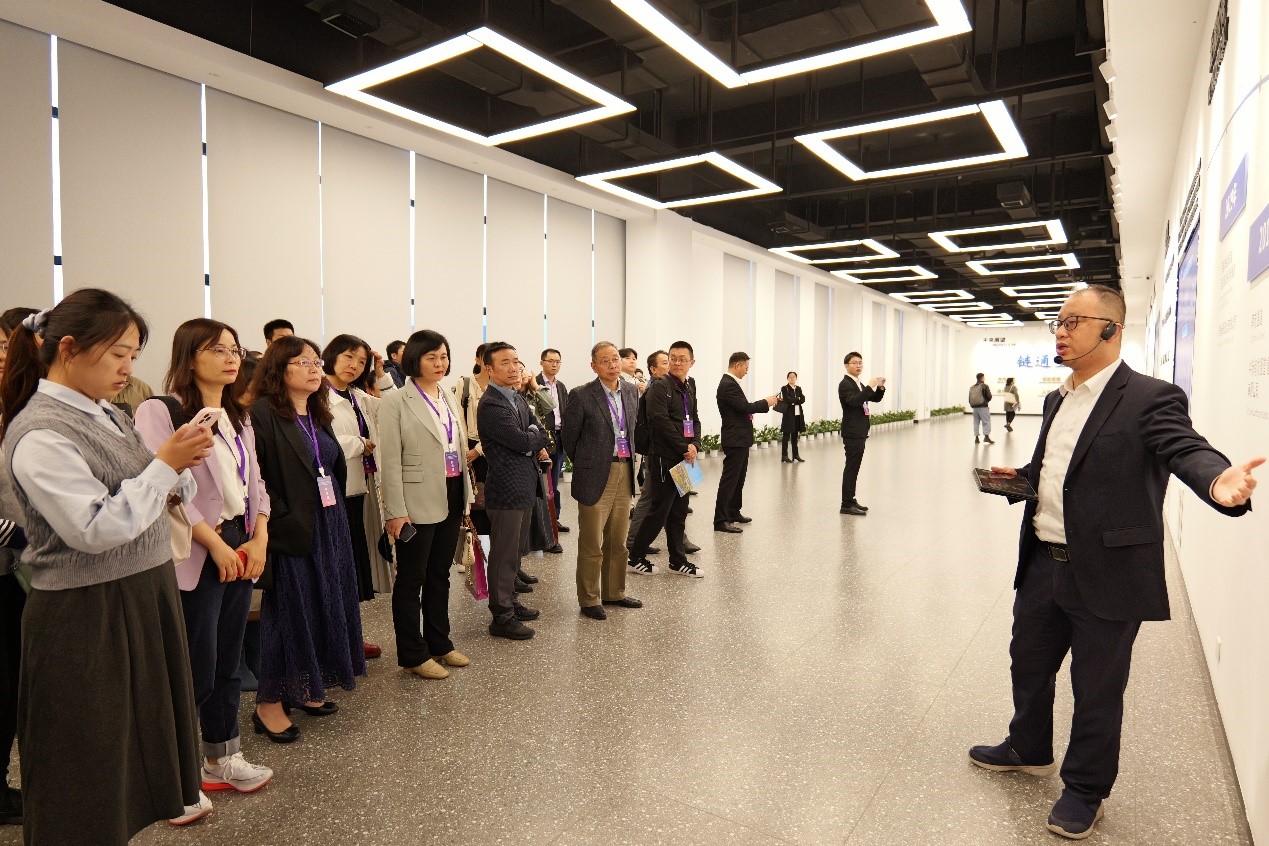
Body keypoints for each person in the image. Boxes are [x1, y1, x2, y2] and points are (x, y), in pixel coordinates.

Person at [969, 284, 1261, 839]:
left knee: (1097, 688)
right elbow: (1058, 468)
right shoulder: (1057, 399)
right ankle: (1028, 747)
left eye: (1073, 321)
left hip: (1107, 572)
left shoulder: (1150, 397)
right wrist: (1021, 479)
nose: (1060, 331)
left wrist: (1217, 481)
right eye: (1057, 322)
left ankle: (1085, 789)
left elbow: (1185, 447)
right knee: (1027, 663)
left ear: (1111, 329)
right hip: (1042, 561)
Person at [2, 289, 215, 841]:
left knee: (133, 756)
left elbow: (151, 488)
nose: (127, 367)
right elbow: (94, 528)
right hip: (86, 611)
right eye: (118, 354)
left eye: (133, 355)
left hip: (142, 590)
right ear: (69, 348)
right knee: (87, 765)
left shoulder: (108, 413)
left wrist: (180, 463)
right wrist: (165, 467)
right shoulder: (40, 432)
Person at [135, 318, 274, 797]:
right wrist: (215, 545)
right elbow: (164, 485)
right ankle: (170, 776)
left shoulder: (238, 415)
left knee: (228, 660)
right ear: (189, 356)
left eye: (235, 350)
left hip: (239, 540)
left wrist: (259, 537)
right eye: (218, 350)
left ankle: (222, 756)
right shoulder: (163, 410)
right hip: (196, 546)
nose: (232, 358)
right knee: (193, 664)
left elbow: (255, 483)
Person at [247, 337, 365, 743]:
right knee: (289, 611)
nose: (315, 369)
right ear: (279, 369)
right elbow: (256, 476)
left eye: (317, 362)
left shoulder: (317, 412)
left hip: (329, 523)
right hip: (291, 528)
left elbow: (328, 466)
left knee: (323, 603)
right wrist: (280, 518)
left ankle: (306, 685)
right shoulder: (261, 414)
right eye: (304, 363)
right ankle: (269, 703)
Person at [379, 329, 473, 679]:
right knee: (412, 578)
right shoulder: (395, 400)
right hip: (415, 500)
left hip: (451, 490)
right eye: (431, 357)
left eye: (444, 356)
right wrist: (395, 511)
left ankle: (440, 643)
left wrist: (466, 496)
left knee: (440, 575)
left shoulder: (447, 394)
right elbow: (390, 460)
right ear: (413, 359)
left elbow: (457, 447)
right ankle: (413, 653)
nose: (439, 363)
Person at [322, 334, 394, 659]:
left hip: (359, 489)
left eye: (361, 361)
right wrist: (359, 444)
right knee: (336, 568)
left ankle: (351, 635)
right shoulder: (318, 395)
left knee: (351, 568)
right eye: (349, 357)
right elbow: (321, 441)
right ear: (332, 355)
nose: (354, 365)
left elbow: (390, 409)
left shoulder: (356, 396)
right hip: (333, 491)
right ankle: (337, 640)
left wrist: (381, 374)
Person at [561, 342, 642, 620]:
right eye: (605, 361)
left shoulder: (630, 391)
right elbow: (569, 438)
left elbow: (633, 429)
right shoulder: (581, 394)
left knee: (618, 540)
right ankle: (589, 598)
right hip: (596, 473)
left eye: (615, 359)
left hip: (625, 470)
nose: (612, 365)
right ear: (593, 366)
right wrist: (588, 462)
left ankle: (614, 592)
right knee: (591, 542)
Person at [477, 342, 549, 640]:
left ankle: (510, 601)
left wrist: (531, 437)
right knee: (503, 555)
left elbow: (540, 432)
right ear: (489, 368)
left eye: (516, 361)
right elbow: (522, 441)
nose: (514, 368)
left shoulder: (516, 398)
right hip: (506, 489)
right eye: (505, 362)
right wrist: (531, 438)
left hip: (524, 485)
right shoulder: (492, 404)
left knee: (515, 552)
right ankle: (501, 616)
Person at [0, 306, 37, 828]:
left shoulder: (21, 408)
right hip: (14, 553)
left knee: (11, 687)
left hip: (14, 572)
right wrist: (22, 534)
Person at [626, 341, 703, 578]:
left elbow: (695, 418)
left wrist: (695, 445)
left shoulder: (690, 385)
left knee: (680, 511)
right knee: (659, 511)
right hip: (664, 458)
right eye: (673, 358)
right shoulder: (660, 386)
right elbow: (659, 421)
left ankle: (678, 561)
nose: (677, 363)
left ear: (692, 362)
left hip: (685, 459)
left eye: (682, 359)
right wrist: (684, 447)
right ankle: (635, 557)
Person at [714, 352, 778, 533]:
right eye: (746, 367)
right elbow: (745, 407)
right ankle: (720, 520)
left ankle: (733, 511)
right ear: (737, 365)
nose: (747, 371)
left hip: (740, 438)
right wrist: (766, 402)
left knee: (739, 478)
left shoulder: (732, 383)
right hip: (735, 438)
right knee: (730, 480)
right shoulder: (728, 385)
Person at [519, 366, 564, 558]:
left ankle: (546, 539)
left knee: (545, 494)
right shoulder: (510, 397)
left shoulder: (532, 394)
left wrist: (535, 386)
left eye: (523, 370)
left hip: (542, 448)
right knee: (529, 500)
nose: (521, 373)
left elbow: (550, 406)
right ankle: (531, 541)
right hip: (526, 450)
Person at [838, 352, 885, 516]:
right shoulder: (845, 384)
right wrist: (869, 386)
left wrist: (880, 388)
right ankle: (846, 504)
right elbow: (855, 401)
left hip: (860, 430)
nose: (859, 366)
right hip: (852, 431)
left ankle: (851, 499)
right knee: (851, 468)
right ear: (846, 366)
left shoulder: (857, 383)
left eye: (860, 363)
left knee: (855, 467)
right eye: (855, 363)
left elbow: (874, 398)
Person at [454, 344, 490, 538]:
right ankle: (473, 546)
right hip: (468, 447)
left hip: (491, 448)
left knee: (490, 500)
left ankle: (491, 546)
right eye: (485, 357)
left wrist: (479, 450)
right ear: (478, 360)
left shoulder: (500, 386)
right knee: (473, 500)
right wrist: (465, 451)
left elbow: (498, 426)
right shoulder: (465, 383)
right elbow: (458, 418)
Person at [535, 348, 570, 533]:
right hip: (543, 438)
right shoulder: (534, 383)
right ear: (542, 362)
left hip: (559, 436)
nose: (554, 364)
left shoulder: (561, 386)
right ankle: (541, 522)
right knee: (542, 481)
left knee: (554, 481)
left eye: (557, 361)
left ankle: (554, 519)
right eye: (550, 361)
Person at [780, 371, 806, 462]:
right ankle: (784, 456)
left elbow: (803, 399)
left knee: (795, 436)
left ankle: (795, 455)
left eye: (793, 377)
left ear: (796, 378)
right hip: (788, 415)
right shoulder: (785, 388)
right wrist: (797, 399)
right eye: (790, 377)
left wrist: (794, 400)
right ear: (787, 378)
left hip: (797, 415)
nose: (792, 378)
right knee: (786, 436)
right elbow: (787, 400)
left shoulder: (798, 388)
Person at [970, 372, 995, 444]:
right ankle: (986, 437)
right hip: (983, 407)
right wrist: (985, 401)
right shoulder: (984, 386)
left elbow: (969, 398)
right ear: (982, 378)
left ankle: (976, 438)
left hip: (975, 408)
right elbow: (989, 396)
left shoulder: (972, 387)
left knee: (976, 422)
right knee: (986, 422)